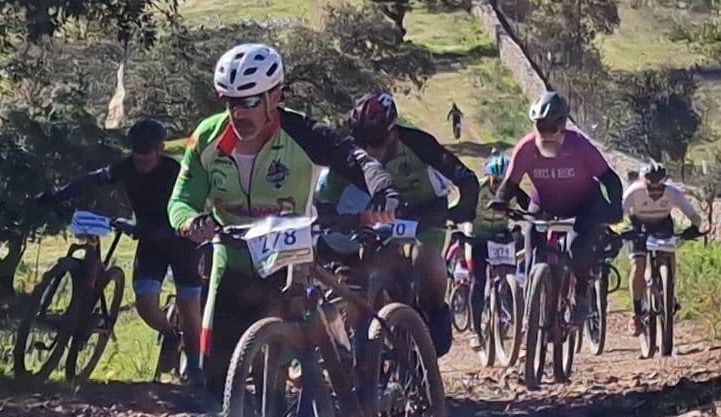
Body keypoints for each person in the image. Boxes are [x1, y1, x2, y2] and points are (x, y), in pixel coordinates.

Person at [168, 44, 398, 382]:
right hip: (232, 260)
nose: (238, 114)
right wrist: (189, 220)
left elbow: (354, 158)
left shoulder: (301, 133)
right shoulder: (207, 139)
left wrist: (382, 188)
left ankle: (347, 372)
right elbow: (181, 199)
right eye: (231, 102)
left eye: (249, 102)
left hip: (288, 259)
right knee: (217, 377)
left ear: (276, 96)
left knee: (294, 364)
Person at [311, 92, 478, 356]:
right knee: (371, 268)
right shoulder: (351, 153)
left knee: (428, 265)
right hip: (378, 218)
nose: (370, 150)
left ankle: (434, 315)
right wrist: (335, 220)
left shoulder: (418, 143)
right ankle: (372, 341)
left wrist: (462, 209)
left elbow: (466, 178)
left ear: (393, 132)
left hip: (425, 214)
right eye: (362, 142)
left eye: (376, 141)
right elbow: (323, 198)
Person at [39, 118, 204, 379]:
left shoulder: (176, 171)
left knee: (189, 305)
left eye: (146, 156)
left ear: (159, 149)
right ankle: (171, 334)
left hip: (182, 244)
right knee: (145, 304)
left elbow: (196, 201)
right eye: (136, 155)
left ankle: (196, 366)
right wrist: (58, 194)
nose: (141, 161)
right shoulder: (126, 168)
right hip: (150, 242)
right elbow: (93, 180)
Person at [490, 90, 622, 298]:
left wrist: (615, 206)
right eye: (541, 126)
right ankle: (534, 303)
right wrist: (500, 201)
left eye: (552, 127)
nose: (547, 133)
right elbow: (510, 184)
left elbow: (610, 179)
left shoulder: (579, 146)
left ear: (563, 125)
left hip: (584, 205)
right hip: (544, 205)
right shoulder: (525, 148)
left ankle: (581, 296)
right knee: (532, 245)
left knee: (576, 249)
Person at [621, 161, 705, 343]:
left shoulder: (673, 193)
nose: (655, 191)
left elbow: (693, 215)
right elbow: (618, 214)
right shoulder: (633, 192)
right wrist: (621, 229)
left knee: (668, 253)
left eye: (660, 187)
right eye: (651, 186)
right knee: (638, 266)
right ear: (643, 182)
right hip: (638, 226)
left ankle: (668, 291)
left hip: (662, 225)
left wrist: (694, 227)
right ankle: (636, 314)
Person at [463, 152, 524, 351]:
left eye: (503, 181)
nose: (498, 185)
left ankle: (511, 310)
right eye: (495, 180)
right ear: (488, 175)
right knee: (478, 281)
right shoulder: (477, 189)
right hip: (478, 236)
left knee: (509, 274)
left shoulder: (511, 191)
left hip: (500, 234)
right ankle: (475, 330)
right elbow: (460, 208)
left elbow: (526, 208)